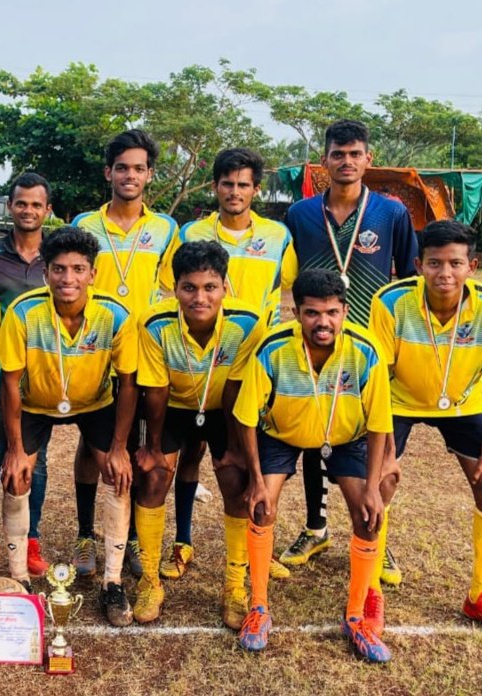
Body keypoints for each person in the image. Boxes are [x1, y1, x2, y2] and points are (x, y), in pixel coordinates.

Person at [370, 220, 482, 643]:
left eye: (455, 263)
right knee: (379, 483)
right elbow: (379, 377)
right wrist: (384, 449)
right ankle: (368, 591)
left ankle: (481, 595)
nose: (445, 273)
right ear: (418, 264)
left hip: (459, 405)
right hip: (399, 399)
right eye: (435, 263)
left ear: (471, 265)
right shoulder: (390, 302)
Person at [281, 119, 417, 586]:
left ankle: (377, 530)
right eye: (337, 154)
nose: (346, 161)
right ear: (324, 162)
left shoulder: (391, 213)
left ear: (368, 160)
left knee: (374, 445)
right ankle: (316, 527)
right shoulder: (299, 214)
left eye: (355, 154)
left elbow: (406, 279)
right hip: (316, 343)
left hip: (370, 348)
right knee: (313, 432)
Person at [235, 269, 393, 663]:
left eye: (332, 313)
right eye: (312, 313)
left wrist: (372, 487)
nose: (323, 322)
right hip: (282, 432)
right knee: (260, 505)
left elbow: (377, 424)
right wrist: (256, 479)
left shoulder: (366, 350)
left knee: (369, 515)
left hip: (345, 436)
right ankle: (257, 608)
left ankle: (356, 616)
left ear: (344, 311)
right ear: (296, 312)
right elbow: (247, 418)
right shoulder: (272, 348)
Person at [153, 147, 296, 581]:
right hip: (198, 363)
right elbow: (167, 290)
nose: (235, 192)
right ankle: (182, 541)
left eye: (243, 184)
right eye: (227, 183)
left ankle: (259, 546)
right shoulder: (191, 231)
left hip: (254, 364)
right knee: (188, 454)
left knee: (252, 458)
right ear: (215, 186)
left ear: (256, 188)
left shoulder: (279, 236)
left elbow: (283, 289)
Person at [0, 227, 138, 626]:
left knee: (116, 474)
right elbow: (10, 381)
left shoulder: (115, 314)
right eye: (59, 269)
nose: (68, 279)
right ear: (45, 272)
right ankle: (20, 578)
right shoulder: (23, 312)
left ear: (93, 273)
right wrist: (14, 448)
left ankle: (112, 581)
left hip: (95, 402)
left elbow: (127, 383)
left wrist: (120, 447)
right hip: (38, 404)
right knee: (16, 476)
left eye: (78, 269)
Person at [134, 241, 262, 625]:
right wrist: (153, 449)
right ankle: (150, 580)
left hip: (223, 407)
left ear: (226, 286)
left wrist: (237, 448)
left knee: (236, 479)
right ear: (175, 288)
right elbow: (156, 390)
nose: (199, 297)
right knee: (153, 476)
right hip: (172, 405)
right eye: (189, 287)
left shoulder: (248, 323)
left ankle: (235, 586)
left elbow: (239, 390)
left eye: (210, 287)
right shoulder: (153, 322)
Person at [70, 129, 177, 579]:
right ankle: (84, 534)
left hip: (144, 353)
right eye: (122, 167)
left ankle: (129, 536)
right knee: (91, 442)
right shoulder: (84, 224)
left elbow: (171, 288)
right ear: (107, 172)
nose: (129, 175)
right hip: (97, 348)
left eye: (138, 168)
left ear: (149, 174)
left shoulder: (166, 229)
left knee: (135, 446)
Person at [0, 172, 52, 578]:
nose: (28, 210)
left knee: (34, 464)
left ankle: (30, 539)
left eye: (37, 204)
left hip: (37, 383)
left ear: (47, 210)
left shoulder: (56, 259)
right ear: (10, 207)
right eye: (21, 203)